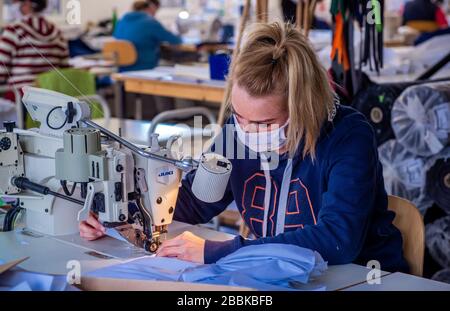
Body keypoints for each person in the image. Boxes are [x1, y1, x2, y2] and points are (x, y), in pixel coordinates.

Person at [80, 22, 409, 273]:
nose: (247, 132)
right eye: (238, 116)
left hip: (359, 276)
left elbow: (338, 240)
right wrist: (118, 216)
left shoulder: (348, 137)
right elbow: (194, 201)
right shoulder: (236, 134)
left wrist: (220, 250)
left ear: (304, 109)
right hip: (282, 274)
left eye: (264, 124)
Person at [0, 0, 69, 99]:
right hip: (53, 97)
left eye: (15, 2)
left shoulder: (14, 30)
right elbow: (65, 70)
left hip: (21, 99)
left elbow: (1, 72)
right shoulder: (57, 32)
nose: (13, 5)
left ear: (27, 3)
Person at [113, 0, 182, 72]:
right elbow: (175, 40)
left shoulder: (121, 21)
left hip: (122, 68)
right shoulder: (150, 22)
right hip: (144, 67)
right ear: (149, 9)